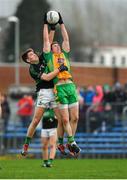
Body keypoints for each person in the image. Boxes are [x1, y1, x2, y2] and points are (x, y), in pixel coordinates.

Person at [21, 36, 67, 156]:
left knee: (61, 119)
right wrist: (59, 69)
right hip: (44, 93)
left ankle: (60, 143)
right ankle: (26, 144)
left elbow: (49, 42)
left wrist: (51, 27)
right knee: (36, 121)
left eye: (33, 53)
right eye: (30, 55)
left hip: (55, 91)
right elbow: (46, 78)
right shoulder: (32, 69)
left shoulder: (42, 57)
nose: (34, 55)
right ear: (28, 60)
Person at [43, 12, 81, 155]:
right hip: (59, 88)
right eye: (54, 45)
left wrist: (62, 23)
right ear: (51, 49)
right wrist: (45, 24)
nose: (57, 46)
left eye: (58, 45)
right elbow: (46, 41)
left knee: (75, 118)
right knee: (64, 119)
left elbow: (66, 38)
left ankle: (65, 142)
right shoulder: (49, 57)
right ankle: (71, 142)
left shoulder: (65, 54)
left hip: (70, 86)